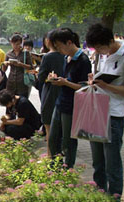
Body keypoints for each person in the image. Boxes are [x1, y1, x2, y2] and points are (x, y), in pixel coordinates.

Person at [86, 23, 124, 202]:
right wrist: (94, 80)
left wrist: (107, 86)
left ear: (109, 41)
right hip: (97, 110)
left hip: (113, 115)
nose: (97, 51)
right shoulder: (103, 56)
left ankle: (114, 201)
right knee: (97, 160)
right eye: (94, 48)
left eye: (99, 47)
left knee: (112, 162)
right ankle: (99, 195)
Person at [48, 28, 91, 168]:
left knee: (68, 141)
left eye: (60, 46)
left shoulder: (83, 60)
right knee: (53, 139)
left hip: (73, 106)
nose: (59, 49)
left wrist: (65, 82)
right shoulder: (66, 58)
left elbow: (84, 88)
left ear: (69, 42)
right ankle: (55, 167)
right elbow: (67, 79)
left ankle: (68, 169)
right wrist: (56, 79)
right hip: (60, 102)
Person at [38, 30, 65, 156]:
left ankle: (50, 155)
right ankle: (60, 154)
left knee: (49, 126)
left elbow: (41, 77)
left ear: (49, 41)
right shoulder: (65, 55)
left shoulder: (47, 56)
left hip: (50, 92)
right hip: (64, 92)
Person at [2, 34, 33, 98]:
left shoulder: (25, 53)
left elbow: (30, 67)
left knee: (22, 102)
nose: (16, 46)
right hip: (11, 82)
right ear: (11, 43)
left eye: (18, 44)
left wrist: (20, 64)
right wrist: (5, 64)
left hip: (22, 82)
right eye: (14, 44)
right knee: (9, 102)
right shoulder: (8, 54)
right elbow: (4, 70)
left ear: (21, 43)